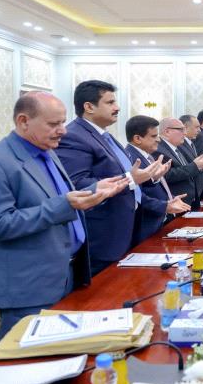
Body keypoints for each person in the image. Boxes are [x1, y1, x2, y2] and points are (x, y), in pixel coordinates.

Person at [0, 91, 128, 339]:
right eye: (53, 124)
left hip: (68, 273)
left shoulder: (48, 151)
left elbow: (55, 198)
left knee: (65, 353)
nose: (62, 130)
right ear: (23, 121)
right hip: (30, 285)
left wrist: (94, 189)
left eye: (62, 122)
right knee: (28, 359)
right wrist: (65, 205)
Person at [56, 80, 164, 275]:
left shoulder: (104, 135)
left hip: (126, 229)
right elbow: (77, 185)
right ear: (89, 107)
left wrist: (146, 176)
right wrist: (130, 179)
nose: (117, 108)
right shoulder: (74, 136)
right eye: (110, 102)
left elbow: (126, 176)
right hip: (103, 237)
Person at [125, 116, 191, 244]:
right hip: (145, 224)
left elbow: (149, 185)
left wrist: (170, 198)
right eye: (154, 136)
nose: (159, 139)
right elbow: (136, 195)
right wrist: (164, 206)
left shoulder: (146, 155)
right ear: (137, 138)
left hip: (157, 221)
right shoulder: (132, 158)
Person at [154, 117, 203, 207]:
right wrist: (195, 165)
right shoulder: (159, 150)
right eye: (181, 130)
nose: (185, 133)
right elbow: (166, 175)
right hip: (175, 203)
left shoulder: (176, 147)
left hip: (187, 201)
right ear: (167, 131)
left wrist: (199, 164)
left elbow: (184, 168)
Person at [179, 114, 203, 208]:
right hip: (185, 194)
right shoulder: (180, 144)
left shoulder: (191, 143)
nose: (199, 130)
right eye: (196, 127)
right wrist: (197, 164)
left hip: (195, 191)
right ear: (185, 128)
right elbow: (186, 167)